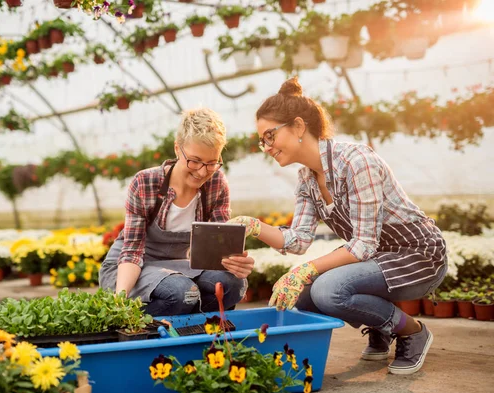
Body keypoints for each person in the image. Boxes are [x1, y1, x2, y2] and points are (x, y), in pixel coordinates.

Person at [230, 77, 447, 375]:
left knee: (329, 290)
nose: (266, 147)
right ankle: (380, 327)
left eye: (270, 136)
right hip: (377, 260)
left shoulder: (356, 161)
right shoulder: (307, 178)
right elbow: (299, 240)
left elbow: (363, 244)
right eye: (261, 140)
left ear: (298, 127)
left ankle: (412, 331)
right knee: (304, 297)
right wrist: (253, 226)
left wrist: (304, 271)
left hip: (418, 255)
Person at [99, 107, 254, 316]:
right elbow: (132, 251)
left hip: (177, 268)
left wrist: (235, 264)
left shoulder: (216, 184)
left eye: (211, 163)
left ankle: (201, 333)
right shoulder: (145, 183)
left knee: (234, 284)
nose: (202, 172)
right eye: (195, 160)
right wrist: (120, 303)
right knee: (181, 292)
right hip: (131, 267)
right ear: (177, 149)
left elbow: (217, 253)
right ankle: (148, 335)